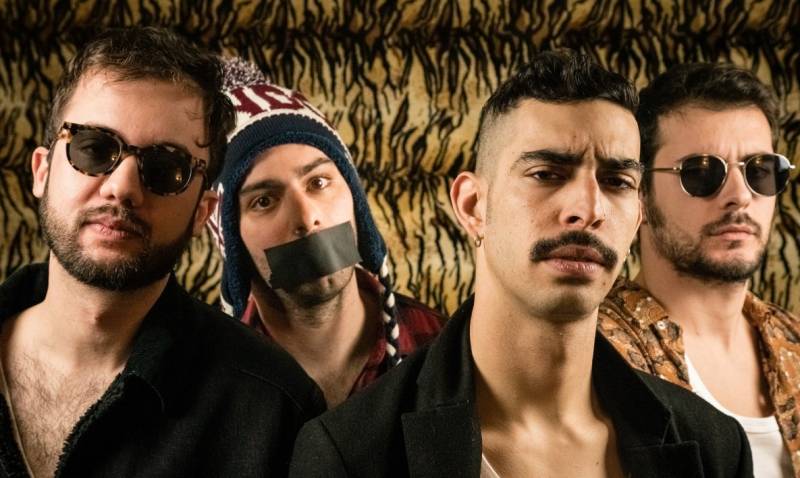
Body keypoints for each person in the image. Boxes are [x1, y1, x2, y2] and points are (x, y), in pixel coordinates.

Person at [289, 50, 752, 477]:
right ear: (473, 206)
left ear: (637, 218)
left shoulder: (713, 447)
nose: (589, 208)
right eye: (547, 174)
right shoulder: (352, 454)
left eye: (617, 181)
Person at [0, 27, 324, 478]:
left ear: (201, 212)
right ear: (42, 170)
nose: (122, 188)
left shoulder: (275, 411)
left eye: (166, 167)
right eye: (94, 148)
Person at [598, 62, 799, 477]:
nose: (740, 196)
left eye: (760, 171)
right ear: (640, 195)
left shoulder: (795, 343)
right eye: (703, 173)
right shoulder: (596, 354)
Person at [208, 59, 443, 407]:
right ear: (230, 239)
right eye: (264, 201)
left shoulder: (442, 351)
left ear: (355, 200)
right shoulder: (205, 386)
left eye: (318, 182)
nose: (307, 218)